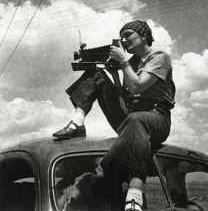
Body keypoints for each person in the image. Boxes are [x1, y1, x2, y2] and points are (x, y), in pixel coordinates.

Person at [52, 20, 176, 211]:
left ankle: (133, 197)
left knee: (137, 121)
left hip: (156, 116)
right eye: (122, 37)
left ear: (143, 36)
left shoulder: (159, 57)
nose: (124, 40)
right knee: (97, 74)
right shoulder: (132, 62)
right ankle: (78, 121)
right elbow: (127, 94)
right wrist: (114, 73)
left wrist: (123, 62)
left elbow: (138, 86)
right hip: (132, 116)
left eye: (128, 35)